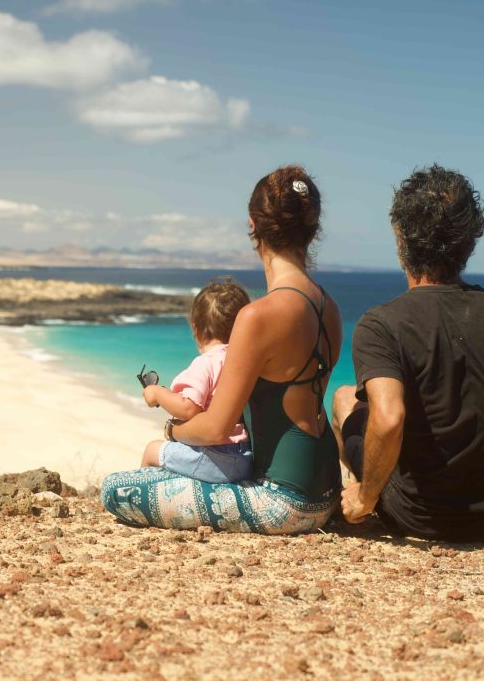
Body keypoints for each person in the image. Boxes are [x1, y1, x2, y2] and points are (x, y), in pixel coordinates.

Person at [332, 164, 484, 542]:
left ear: (399, 237)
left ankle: (363, 496)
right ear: (470, 242)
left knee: (346, 399)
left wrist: (365, 496)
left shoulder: (382, 324)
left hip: (422, 518)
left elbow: (390, 418)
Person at [101, 165, 343, 533]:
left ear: (253, 225)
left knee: (115, 490)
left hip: (283, 504)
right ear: (312, 228)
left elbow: (215, 429)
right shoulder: (330, 308)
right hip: (327, 495)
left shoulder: (258, 316)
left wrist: (170, 433)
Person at [139, 277, 252, 483]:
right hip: (245, 457)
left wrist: (158, 394)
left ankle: (143, 504)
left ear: (196, 330)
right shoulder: (246, 363)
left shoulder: (206, 363)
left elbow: (188, 408)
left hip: (215, 457)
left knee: (151, 450)